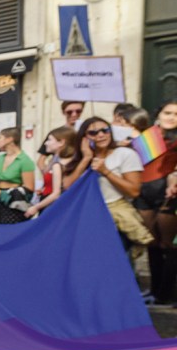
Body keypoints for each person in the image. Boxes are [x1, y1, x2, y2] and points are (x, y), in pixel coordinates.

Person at [72, 116, 153, 255]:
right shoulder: (81, 158)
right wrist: (86, 158)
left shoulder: (125, 154)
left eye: (105, 130)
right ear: (84, 138)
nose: (101, 135)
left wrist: (106, 172)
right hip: (86, 218)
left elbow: (133, 192)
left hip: (115, 221)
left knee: (115, 260)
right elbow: (68, 187)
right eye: (93, 133)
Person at [133, 101, 177, 304]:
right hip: (144, 193)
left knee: (168, 245)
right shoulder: (145, 137)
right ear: (158, 114)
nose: (172, 117)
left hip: (170, 195)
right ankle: (153, 290)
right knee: (152, 243)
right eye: (168, 112)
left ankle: (165, 293)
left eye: (176, 114)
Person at [25, 126, 80, 218]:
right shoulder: (71, 161)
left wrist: (35, 207)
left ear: (61, 142)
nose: (46, 143)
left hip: (53, 208)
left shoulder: (57, 164)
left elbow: (56, 194)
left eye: (49, 140)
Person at [36, 100, 85, 173]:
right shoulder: (56, 134)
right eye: (69, 112)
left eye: (78, 111)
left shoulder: (87, 132)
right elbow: (41, 161)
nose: (74, 114)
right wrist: (48, 175)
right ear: (63, 112)